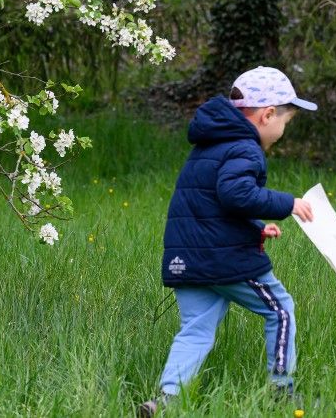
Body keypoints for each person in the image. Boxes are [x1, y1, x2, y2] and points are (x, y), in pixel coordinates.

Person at [140, 67, 317, 416]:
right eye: (286, 122)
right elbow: (236, 193)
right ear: (267, 115)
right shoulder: (245, 149)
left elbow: (214, 203)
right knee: (280, 311)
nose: (283, 132)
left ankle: (167, 401)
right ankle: (282, 391)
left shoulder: (213, 142)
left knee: (195, 331)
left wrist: (255, 227)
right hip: (223, 259)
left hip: (187, 255)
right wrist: (288, 203)